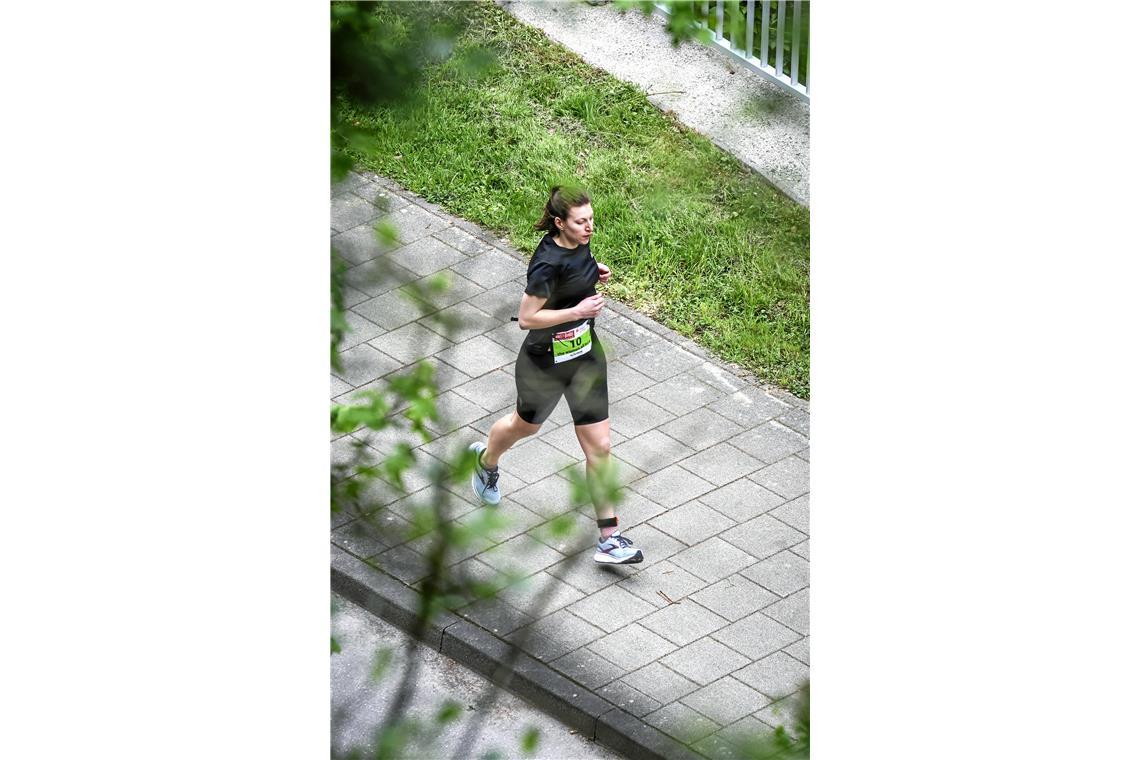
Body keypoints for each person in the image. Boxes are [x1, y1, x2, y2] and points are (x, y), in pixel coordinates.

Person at [468, 186, 643, 565]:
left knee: (600, 447)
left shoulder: (578, 243)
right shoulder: (546, 261)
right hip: (544, 362)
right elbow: (528, 319)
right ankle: (485, 462)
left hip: (584, 357)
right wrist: (577, 309)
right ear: (560, 223)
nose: (589, 228)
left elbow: (574, 275)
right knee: (524, 426)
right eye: (581, 222)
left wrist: (592, 272)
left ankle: (610, 539)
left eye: (591, 220)